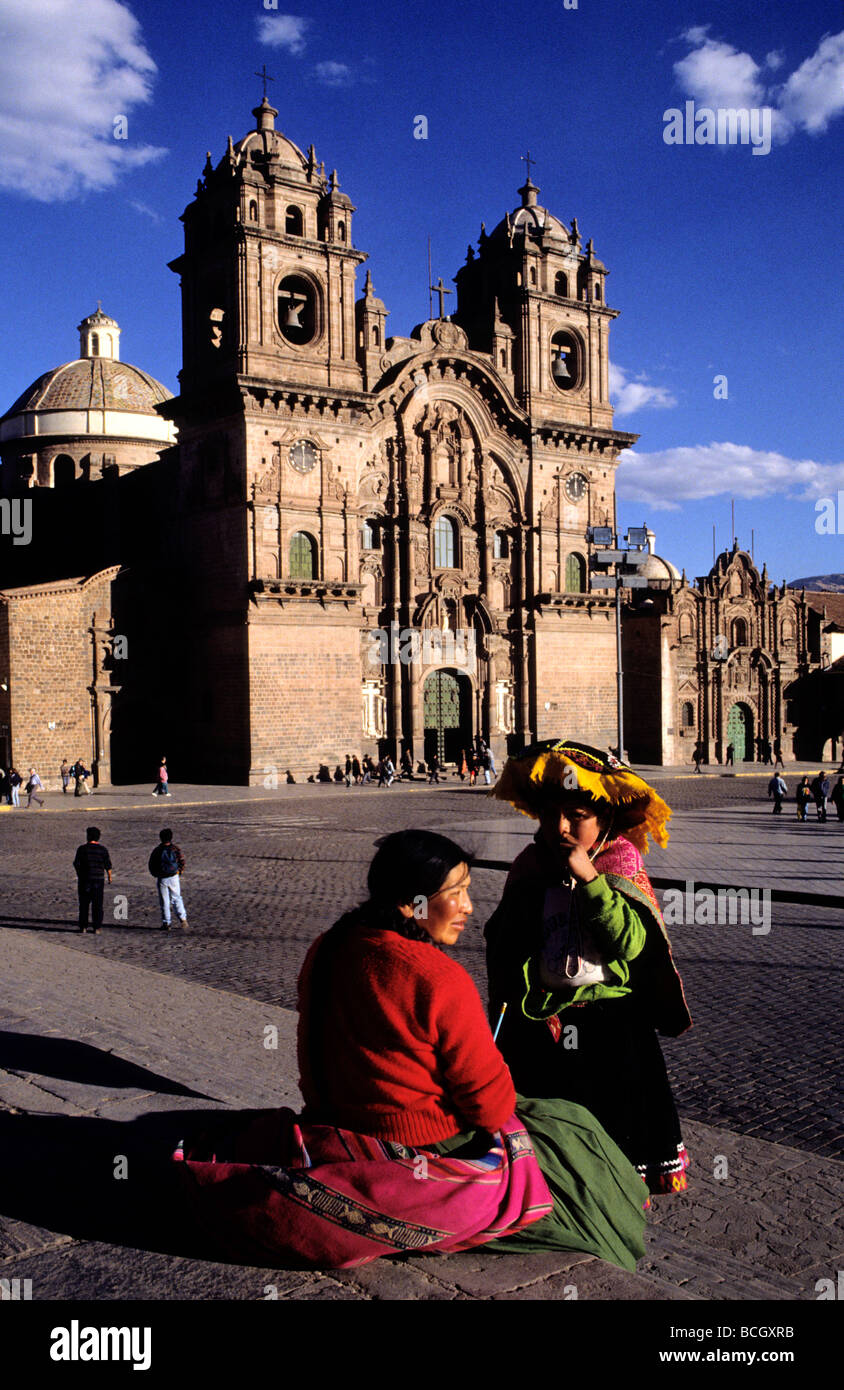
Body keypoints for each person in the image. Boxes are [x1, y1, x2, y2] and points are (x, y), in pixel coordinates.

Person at [174, 830, 647, 1271]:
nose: (468, 907)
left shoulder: (329, 946)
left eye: (468, 889)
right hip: (420, 1142)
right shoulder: (437, 978)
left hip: (332, 1118)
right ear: (410, 903)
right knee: (573, 1133)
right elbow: (491, 1106)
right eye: (456, 893)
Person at [485, 740, 691, 1195]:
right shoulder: (528, 866)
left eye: (575, 816)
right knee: (553, 1140)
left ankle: (615, 1201)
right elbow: (505, 946)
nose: (560, 827)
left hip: (610, 1024)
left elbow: (633, 944)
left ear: (603, 820)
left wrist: (591, 882)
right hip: (544, 1020)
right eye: (550, 815)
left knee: (614, 1131)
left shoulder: (620, 863)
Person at [73, 826, 112, 934]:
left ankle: (83, 926)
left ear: (88, 836)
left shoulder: (82, 849)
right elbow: (108, 865)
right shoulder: (103, 850)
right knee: (98, 904)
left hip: (85, 879)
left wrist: (80, 874)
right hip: (98, 880)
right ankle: (97, 927)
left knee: (84, 904)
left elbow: (76, 864)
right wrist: (109, 877)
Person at [148, 828, 188, 931]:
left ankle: (167, 923)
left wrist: (155, 874)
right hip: (174, 876)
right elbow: (181, 861)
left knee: (164, 901)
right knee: (176, 898)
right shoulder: (175, 849)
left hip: (162, 878)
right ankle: (183, 919)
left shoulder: (157, 850)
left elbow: (152, 864)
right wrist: (180, 872)